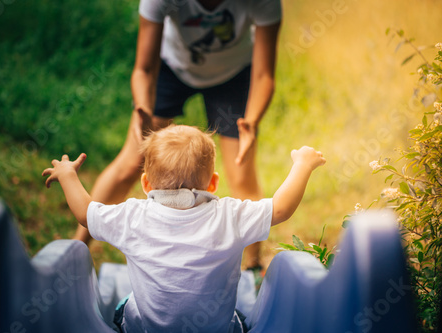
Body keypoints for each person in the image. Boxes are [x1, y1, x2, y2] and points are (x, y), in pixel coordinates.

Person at [42, 124, 326, 333]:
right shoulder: (230, 215)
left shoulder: (132, 216)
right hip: (216, 330)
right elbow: (280, 208)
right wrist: (302, 164)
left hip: (144, 330)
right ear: (212, 184)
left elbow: (85, 213)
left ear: (146, 184)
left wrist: (68, 176)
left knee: (128, 304)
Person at [74, 0, 283, 275]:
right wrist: (143, 109)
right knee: (131, 162)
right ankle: (76, 248)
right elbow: (143, 70)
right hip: (171, 70)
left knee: (242, 172)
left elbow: (264, 75)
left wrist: (251, 122)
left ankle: (253, 267)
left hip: (234, 76)